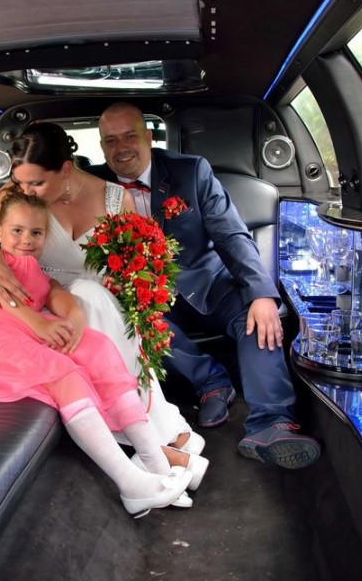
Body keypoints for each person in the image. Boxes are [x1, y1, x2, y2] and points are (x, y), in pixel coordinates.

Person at [0, 191, 196, 516]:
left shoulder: (37, 270)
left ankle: (155, 462)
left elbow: (54, 293)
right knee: (61, 371)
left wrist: (73, 317)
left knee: (98, 349)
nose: (26, 240)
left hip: (21, 332)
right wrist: (38, 324)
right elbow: (2, 295)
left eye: (36, 233)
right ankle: (129, 482)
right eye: (17, 231)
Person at [85, 102, 321, 470]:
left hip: (209, 283)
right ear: (102, 147)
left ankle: (271, 424)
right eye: (111, 140)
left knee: (258, 315)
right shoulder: (94, 186)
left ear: (148, 137)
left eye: (130, 136)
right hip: (148, 297)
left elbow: (231, 234)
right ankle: (211, 381)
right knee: (130, 321)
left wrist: (261, 293)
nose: (121, 148)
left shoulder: (191, 171)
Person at [0, 122, 205, 460]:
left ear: (65, 169)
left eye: (37, 183)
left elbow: (135, 269)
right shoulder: (14, 196)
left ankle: (148, 432)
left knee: (97, 297)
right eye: (20, 182)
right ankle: (150, 439)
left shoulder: (116, 199)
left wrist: (127, 283)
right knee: (90, 296)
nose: (26, 191)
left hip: (102, 302)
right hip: (44, 302)